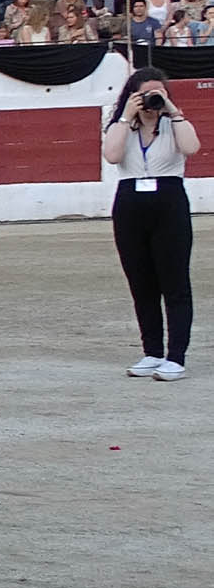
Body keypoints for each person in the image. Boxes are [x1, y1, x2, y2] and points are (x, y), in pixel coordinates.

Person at [102, 69, 198, 381]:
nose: (153, 100)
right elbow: (113, 155)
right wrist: (125, 116)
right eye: (147, 94)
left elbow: (191, 148)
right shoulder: (121, 127)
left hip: (169, 202)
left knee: (175, 283)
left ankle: (176, 356)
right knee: (141, 284)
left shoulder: (174, 123)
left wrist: (172, 110)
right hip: (130, 204)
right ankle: (152, 351)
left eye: (160, 92)